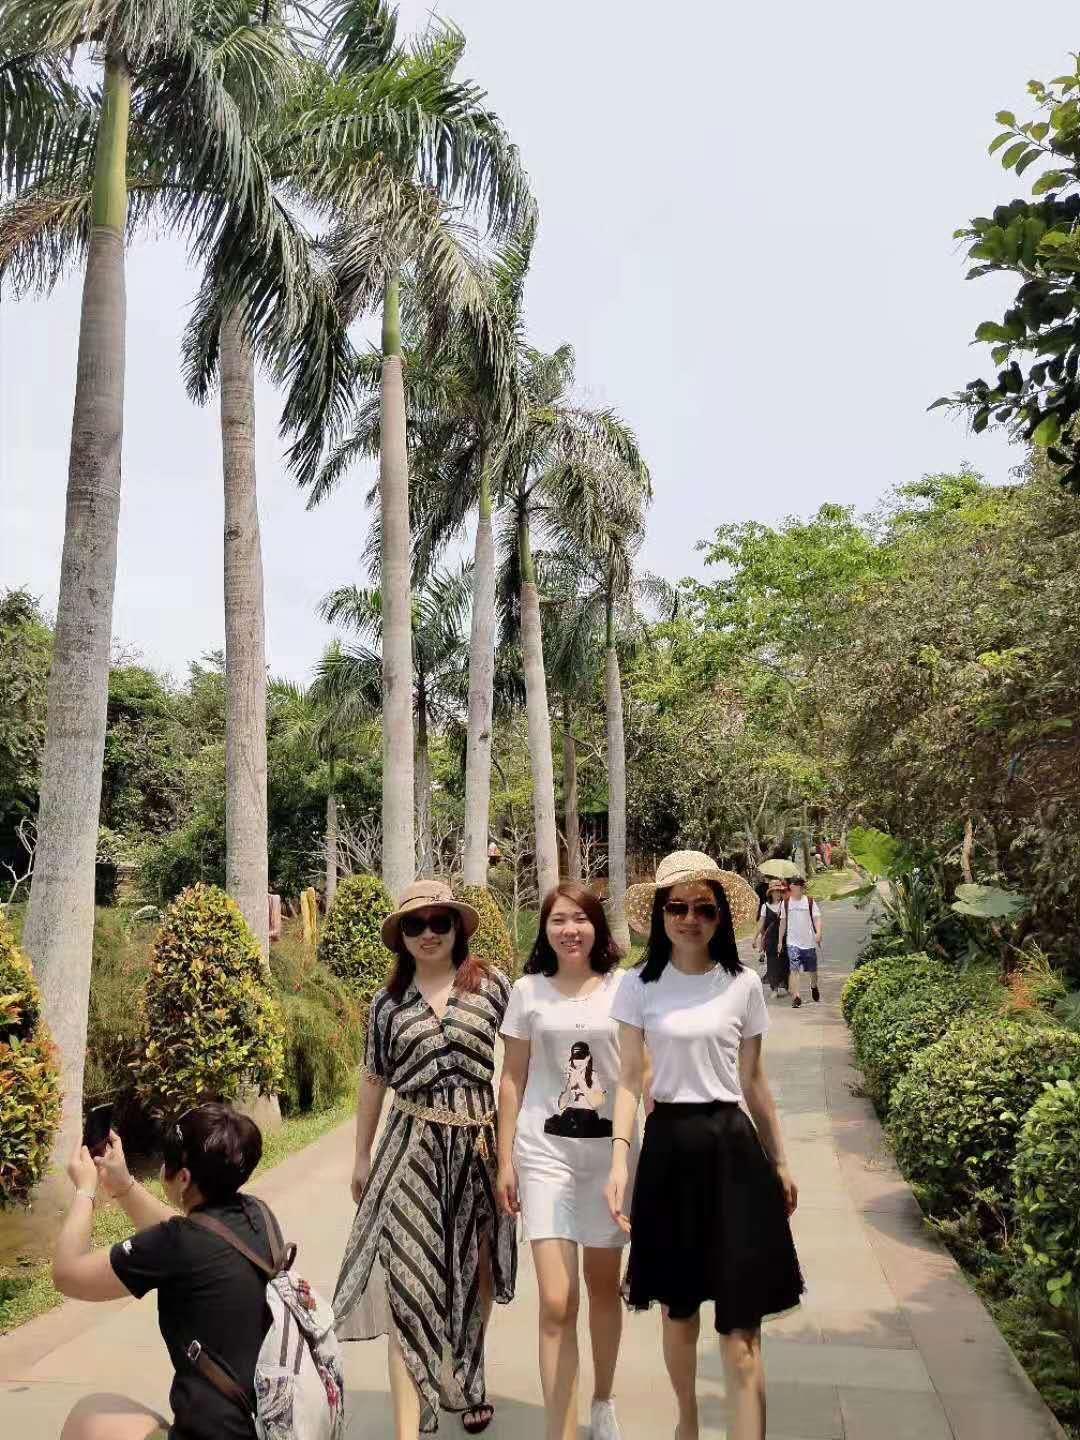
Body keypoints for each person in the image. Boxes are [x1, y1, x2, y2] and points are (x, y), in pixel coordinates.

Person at [606, 851, 803, 1440]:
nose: (690, 919)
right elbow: (628, 1081)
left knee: (741, 1329)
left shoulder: (742, 984)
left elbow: (754, 1080)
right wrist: (620, 1161)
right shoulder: (637, 986)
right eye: (678, 907)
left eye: (704, 909)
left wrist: (781, 1160)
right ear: (661, 914)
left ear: (721, 917)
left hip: (733, 1153)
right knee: (678, 1308)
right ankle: (686, 1424)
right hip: (668, 1152)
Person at [334, 880, 516, 1439]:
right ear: (401, 936)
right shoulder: (387, 1005)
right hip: (410, 1149)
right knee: (410, 1285)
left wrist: (515, 1152)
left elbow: (519, 1069)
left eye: (440, 922)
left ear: (457, 927)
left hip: (479, 1147)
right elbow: (373, 1079)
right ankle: (407, 1430)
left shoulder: (492, 986)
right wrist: (361, 1155)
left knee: (477, 1268)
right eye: (416, 925)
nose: (429, 933)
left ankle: (465, 1374)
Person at [497, 882, 639, 1440]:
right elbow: (512, 1078)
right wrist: (505, 1159)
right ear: (545, 929)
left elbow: (635, 1076)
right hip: (544, 1154)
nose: (569, 929)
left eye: (580, 918)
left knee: (603, 1287)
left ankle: (602, 1400)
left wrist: (633, 1155)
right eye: (558, 919)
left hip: (608, 1159)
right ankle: (561, 1430)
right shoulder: (527, 991)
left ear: (597, 927)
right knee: (557, 1301)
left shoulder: (625, 988)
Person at [52, 1102, 275, 1440]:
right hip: (267, 1426)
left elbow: (67, 1274)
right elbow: (187, 1231)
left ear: (183, 1178)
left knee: (88, 1416)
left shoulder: (178, 1245)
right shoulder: (258, 1216)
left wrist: (85, 1190)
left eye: (166, 1161)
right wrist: (124, 1186)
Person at [777, 873, 822, 1009]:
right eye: (794, 884)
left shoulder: (809, 901)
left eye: (798, 885)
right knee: (794, 969)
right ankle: (796, 996)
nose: (794, 887)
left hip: (808, 942)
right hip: (792, 942)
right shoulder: (786, 903)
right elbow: (782, 923)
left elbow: (817, 918)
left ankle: (813, 986)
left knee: (812, 970)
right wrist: (780, 941)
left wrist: (818, 933)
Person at [752, 878, 789, 997]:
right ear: (771, 893)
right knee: (772, 962)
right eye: (776, 891)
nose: (778, 893)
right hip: (770, 938)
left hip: (784, 937)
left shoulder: (785, 905)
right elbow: (761, 923)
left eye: (779, 891)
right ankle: (774, 988)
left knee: (784, 962)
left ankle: (786, 984)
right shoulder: (765, 906)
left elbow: (787, 922)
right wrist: (755, 938)